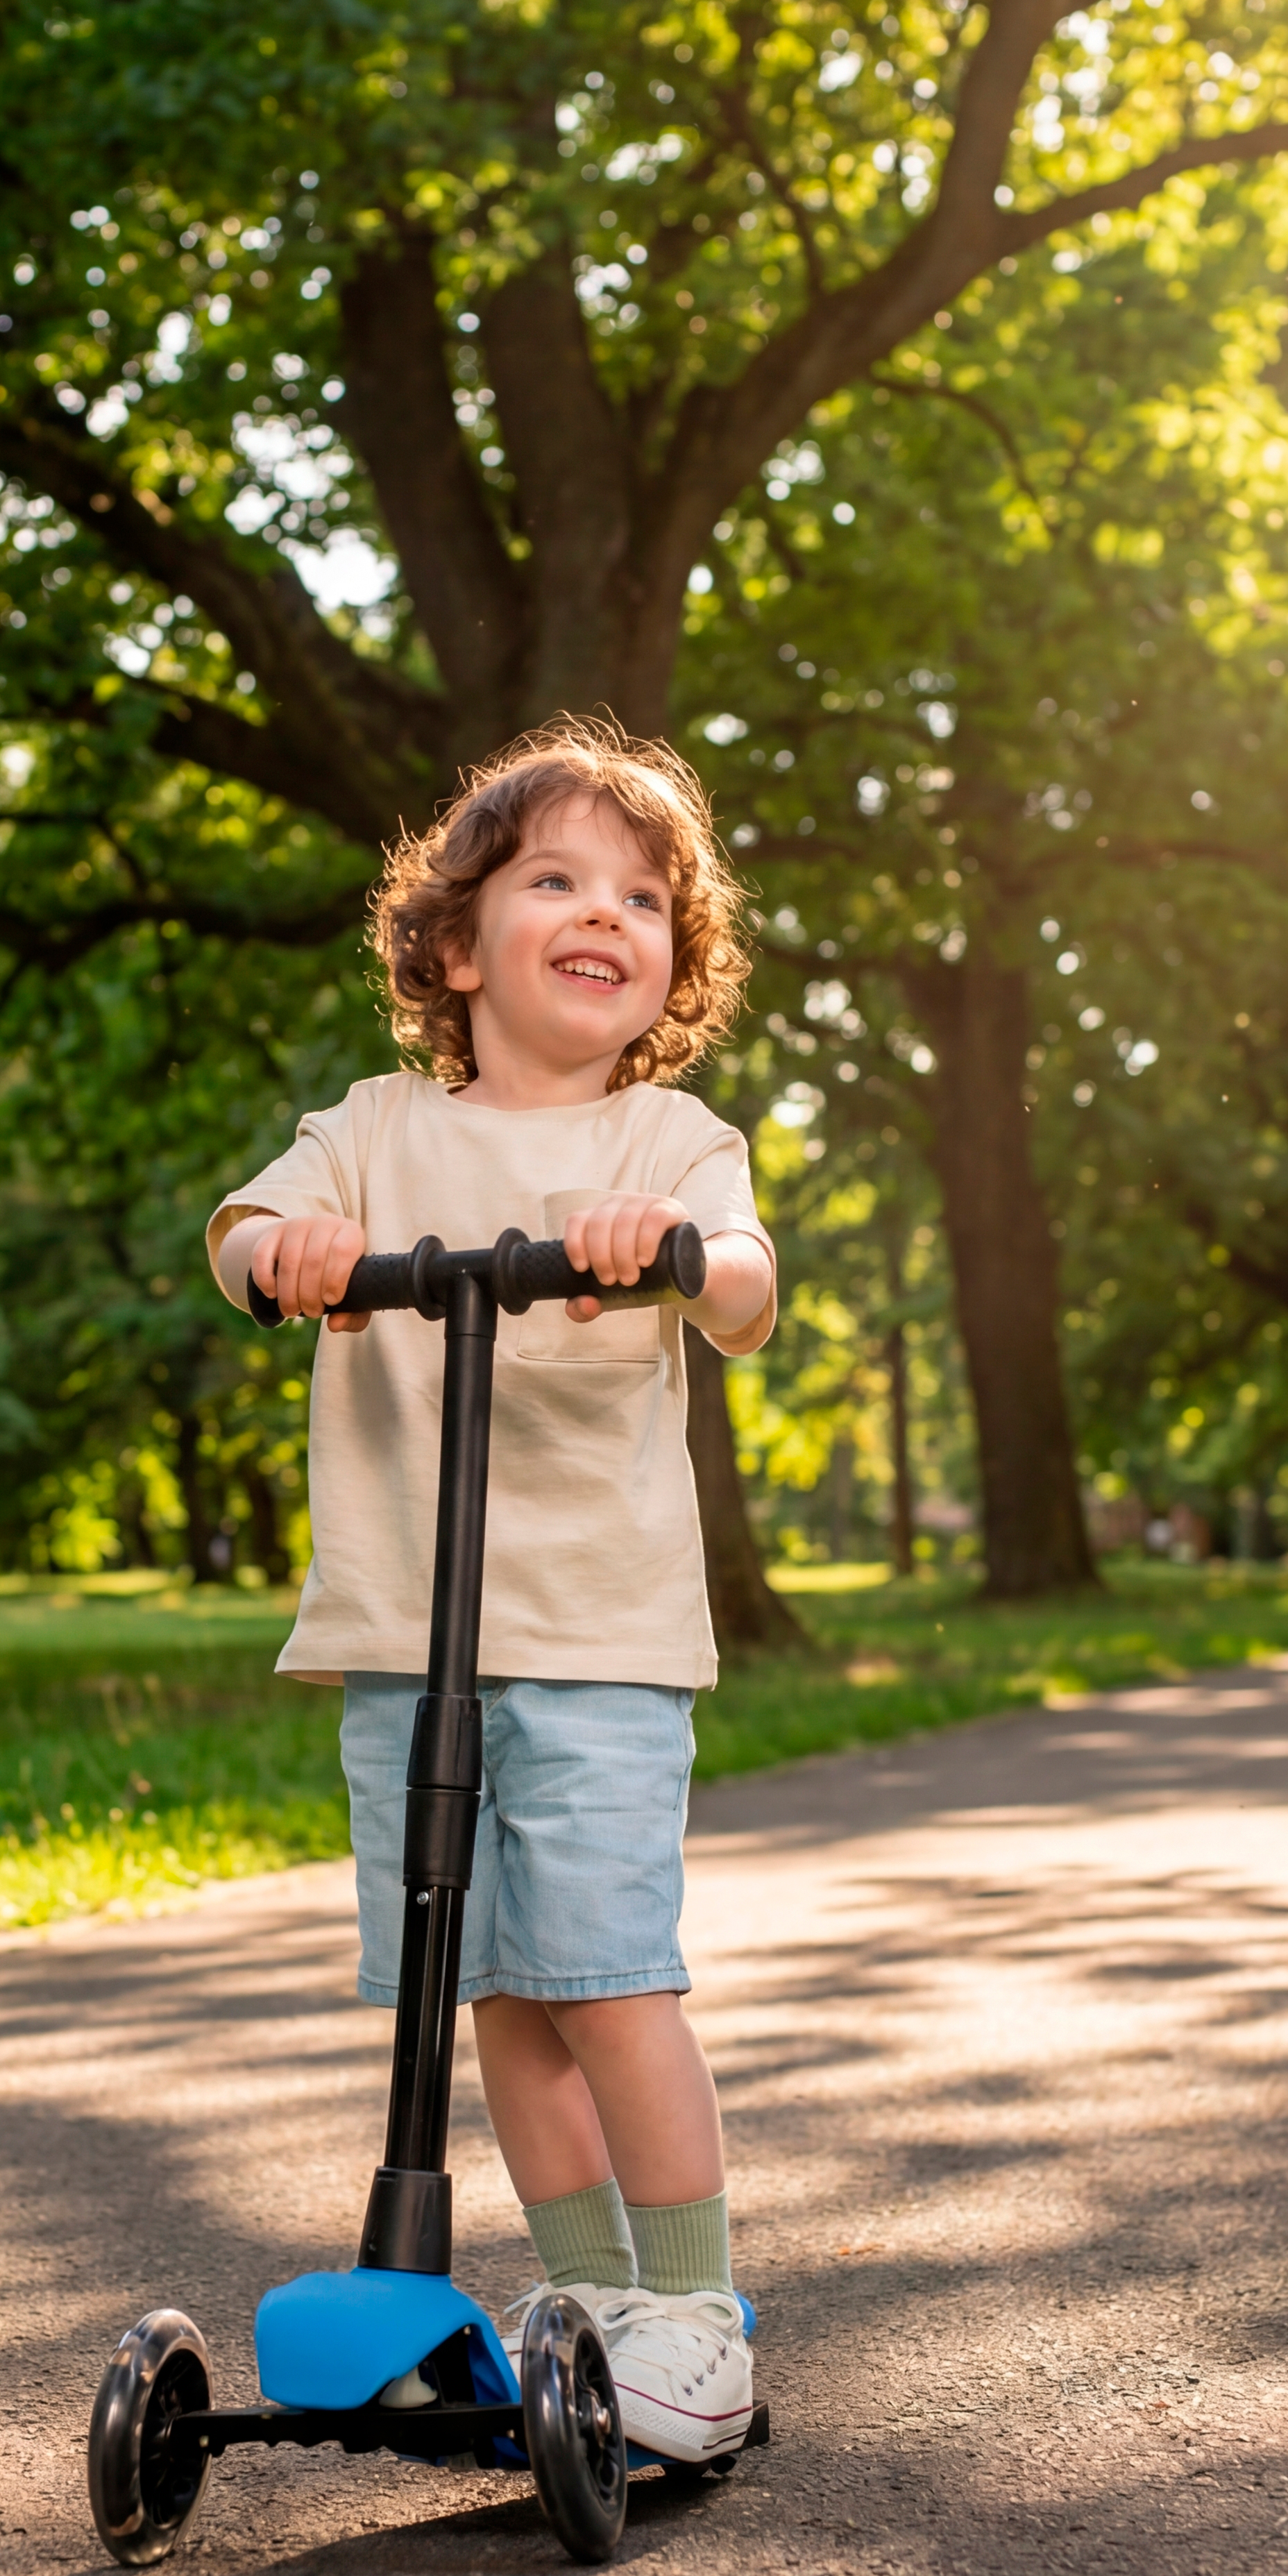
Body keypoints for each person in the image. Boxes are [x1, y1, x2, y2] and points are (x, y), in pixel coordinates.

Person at [205, 713, 779, 2462]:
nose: (608, 911)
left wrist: (666, 1252)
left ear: (669, 971)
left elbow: (747, 1288)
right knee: (501, 1997)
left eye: (645, 897)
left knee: (607, 1979)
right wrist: (289, 1256)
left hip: (596, 1645)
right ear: (457, 946)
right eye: (556, 879)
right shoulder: (369, 1131)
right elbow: (239, 1237)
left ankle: (690, 2314)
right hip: (410, 1642)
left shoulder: (666, 1142)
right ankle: (591, 2290)